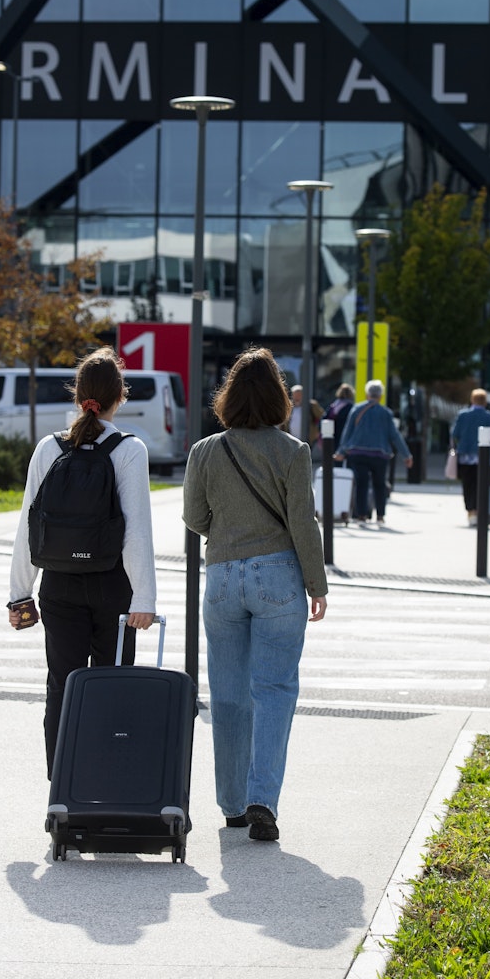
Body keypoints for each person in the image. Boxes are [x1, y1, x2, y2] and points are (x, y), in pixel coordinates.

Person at [183, 347, 327, 843]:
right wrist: (317, 585)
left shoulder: (205, 451)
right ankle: (263, 799)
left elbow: (193, 518)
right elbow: (303, 525)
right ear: (279, 399)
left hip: (222, 576)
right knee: (275, 691)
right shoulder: (292, 452)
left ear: (227, 398)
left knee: (227, 695)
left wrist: (225, 532)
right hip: (278, 577)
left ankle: (232, 805)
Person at [7, 346, 156, 777]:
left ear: (78, 396)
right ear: (119, 396)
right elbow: (136, 532)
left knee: (62, 687)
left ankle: (62, 789)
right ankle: (107, 783)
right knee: (112, 688)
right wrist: (143, 597)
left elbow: (28, 527)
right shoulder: (129, 449)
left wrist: (19, 595)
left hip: (59, 587)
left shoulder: (48, 449)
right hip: (114, 589)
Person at [333, 379, 413, 523]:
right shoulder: (386, 413)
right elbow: (395, 436)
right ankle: (380, 516)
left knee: (361, 484)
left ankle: (361, 515)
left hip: (357, 453)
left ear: (367, 394)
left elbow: (347, 432)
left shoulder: (356, 409)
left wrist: (341, 451)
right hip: (379, 455)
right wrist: (406, 455)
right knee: (379, 485)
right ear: (381, 396)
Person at [451, 387, 490, 527]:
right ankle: (479, 511)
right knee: (482, 486)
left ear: (472, 400)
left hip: (465, 457)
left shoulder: (462, 415)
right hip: (485, 459)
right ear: (485, 402)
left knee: (468, 484)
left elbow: (455, 434)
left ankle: (470, 512)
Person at [323, 382, 355, 449]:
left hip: (331, 437)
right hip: (345, 437)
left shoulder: (333, 406)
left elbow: (324, 418)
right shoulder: (351, 407)